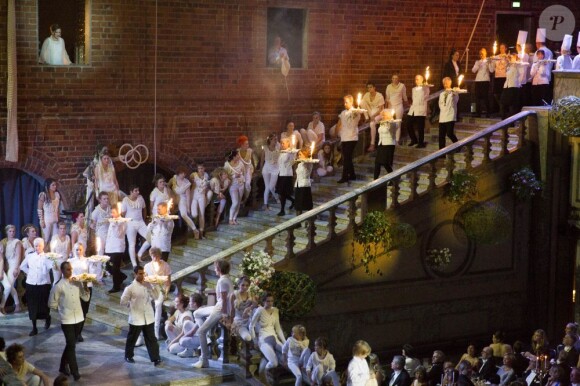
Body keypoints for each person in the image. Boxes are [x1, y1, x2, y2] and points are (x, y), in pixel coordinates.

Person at [49, 261, 89, 381]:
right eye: (67, 269)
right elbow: (52, 304)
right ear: (62, 271)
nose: (70, 271)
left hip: (79, 318)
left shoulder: (77, 283)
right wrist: (62, 311)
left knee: (70, 344)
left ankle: (62, 366)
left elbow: (85, 298)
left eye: (71, 269)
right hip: (67, 320)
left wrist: (86, 286)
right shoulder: (58, 286)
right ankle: (75, 371)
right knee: (71, 345)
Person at [192, 259, 233, 368]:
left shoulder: (223, 281)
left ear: (219, 269)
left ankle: (204, 360)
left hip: (220, 310)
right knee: (196, 313)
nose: (214, 269)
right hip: (217, 306)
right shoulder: (226, 279)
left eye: (215, 267)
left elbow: (224, 300)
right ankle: (208, 339)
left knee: (201, 332)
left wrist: (224, 315)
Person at [120, 266, 162, 366]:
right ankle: (128, 356)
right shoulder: (130, 288)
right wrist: (130, 306)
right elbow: (123, 301)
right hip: (136, 317)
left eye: (143, 273)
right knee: (132, 338)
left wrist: (153, 286)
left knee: (151, 339)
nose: (142, 275)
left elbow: (156, 297)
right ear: (135, 274)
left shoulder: (147, 286)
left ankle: (156, 358)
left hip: (148, 317)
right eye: (140, 273)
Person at [19, 238, 54, 336]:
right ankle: (34, 328)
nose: (37, 247)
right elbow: (22, 266)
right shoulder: (30, 256)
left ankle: (47, 317)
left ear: (43, 246)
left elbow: (52, 267)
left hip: (44, 284)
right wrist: (30, 272)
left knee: (44, 306)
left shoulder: (47, 257)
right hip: (31, 284)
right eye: (36, 246)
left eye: (39, 245)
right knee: (32, 306)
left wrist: (54, 263)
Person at [68, 242, 100, 341]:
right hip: (74, 288)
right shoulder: (70, 261)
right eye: (77, 249)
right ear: (74, 250)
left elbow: (92, 274)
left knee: (83, 311)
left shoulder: (88, 261)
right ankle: (73, 331)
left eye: (80, 249)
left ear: (84, 250)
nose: (78, 251)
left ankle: (79, 333)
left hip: (86, 288)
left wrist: (94, 265)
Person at [250, 292, 286, 374]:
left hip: (274, 337)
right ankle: (263, 373)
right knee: (274, 363)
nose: (270, 303)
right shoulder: (260, 310)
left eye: (271, 301)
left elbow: (278, 329)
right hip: (263, 339)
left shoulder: (276, 310)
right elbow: (251, 326)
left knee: (287, 352)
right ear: (263, 301)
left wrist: (285, 342)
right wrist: (255, 341)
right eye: (268, 301)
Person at [143, 247, 171, 340]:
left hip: (161, 289)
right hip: (150, 289)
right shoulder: (147, 266)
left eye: (156, 256)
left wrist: (166, 293)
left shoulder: (165, 265)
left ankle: (156, 332)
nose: (155, 258)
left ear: (160, 256)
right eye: (153, 256)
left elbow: (168, 283)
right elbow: (145, 282)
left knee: (158, 304)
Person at [336, 95, 362, 183]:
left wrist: (357, 110)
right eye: (344, 102)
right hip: (344, 137)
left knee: (346, 157)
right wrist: (336, 133)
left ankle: (345, 176)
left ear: (351, 102)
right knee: (347, 157)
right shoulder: (343, 113)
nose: (345, 104)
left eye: (346, 102)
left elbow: (356, 115)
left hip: (352, 137)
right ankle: (352, 175)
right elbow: (339, 124)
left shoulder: (355, 111)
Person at [121, 186, 149, 266]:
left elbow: (144, 208)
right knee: (132, 244)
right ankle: (134, 264)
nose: (138, 192)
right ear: (131, 192)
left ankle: (139, 253)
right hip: (130, 223)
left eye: (138, 190)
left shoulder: (140, 198)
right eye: (136, 191)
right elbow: (123, 213)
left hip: (140, 222)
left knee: (151, 238)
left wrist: (144, 219)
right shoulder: (125, 200)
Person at [173, 293, 205, 358]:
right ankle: (189, 350)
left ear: (195, 303)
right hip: (197, 335)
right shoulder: (199, 310)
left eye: (190, 301)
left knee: (182, 341)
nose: (189, 303)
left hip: (202, 338)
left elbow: (193, 331)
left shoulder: (197, 312)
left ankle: (190, 350)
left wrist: (182, 338)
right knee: (172, 348)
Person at [168, 167, 197, 238]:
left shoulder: (186, 183)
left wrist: (188, 207)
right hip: (173, 197)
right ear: (178, 173)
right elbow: (168, 186)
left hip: (182, 198)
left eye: (184, 173)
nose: (183, 175)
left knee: (184, 214)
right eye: (181, 173)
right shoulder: (174, 178)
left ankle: (195, 230)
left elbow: (188, 196)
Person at [105, 205, 128, 293]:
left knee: (115, 267)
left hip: (118, 248)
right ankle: (121, 276)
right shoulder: (113, 221)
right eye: (111, 212)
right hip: (110, 247)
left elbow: (118, 234)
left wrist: (115, 225)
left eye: (113, 212)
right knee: (107, 266)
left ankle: (116, 286)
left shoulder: (122, 221)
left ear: (118, 212)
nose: (112, 214)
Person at [0, 225, 22, 314]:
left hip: (14, 265)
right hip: (8, 265)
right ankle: (17, 305)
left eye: (13, 231)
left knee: (9, 286)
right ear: (7, 232)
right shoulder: (4, 242)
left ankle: (2, 306)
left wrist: (16, 268)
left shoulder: (17, 242)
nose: (12, 233)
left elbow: (18, 256)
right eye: (10, 231)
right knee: (10, 286)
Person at [229, 276, 257, 343]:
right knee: (247, 337)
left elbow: (256, 305)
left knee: (258, 333)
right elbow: (231, 310)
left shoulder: (251, 294)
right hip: (238, 321)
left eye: (247, 285)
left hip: (250, 320)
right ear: (238, 285)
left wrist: (249, 308)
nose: (245, 287)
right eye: (243, 285)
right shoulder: (234, 295)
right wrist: (230, 323)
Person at [374, 109, 398, 179]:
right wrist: (381, 114)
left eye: (384, 115)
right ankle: (375, 180)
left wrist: (390, 120)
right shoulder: (382, 122)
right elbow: (376, 119)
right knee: (377, 163)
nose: (382, 116)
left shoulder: (393, 123)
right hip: (381, 144)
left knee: (385, 163)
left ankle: (393, 177)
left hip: (388, 144)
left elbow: (391, 129)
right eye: (382, 115)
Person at [407, 75, 430, 148]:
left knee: (420, 127)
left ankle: (421, 143)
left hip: (421, 109)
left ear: (422, 80)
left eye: (418, 79)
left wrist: (425, 86)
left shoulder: (425, 88)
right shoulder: (413, 89)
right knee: (408, 123)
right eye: (415, 79)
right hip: (413, 109)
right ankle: (414, 139)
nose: (416, 81)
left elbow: (425, 96)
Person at [224, 149, 246, 225]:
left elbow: (243, 172)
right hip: (233, 185)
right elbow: (225, 176)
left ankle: (234, 218)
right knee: (235, 202)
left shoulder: (241, 163)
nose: (239, 156)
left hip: (240, 184)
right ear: (233, 157)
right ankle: (230, 219)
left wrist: (242, 178)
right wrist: (234, 176)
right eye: (237, 155)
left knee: (239, 202)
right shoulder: (227, 165)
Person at [363, 82, 386, 151]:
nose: (369, 89)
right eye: (368, 87)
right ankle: (367, 118)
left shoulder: (379, 95)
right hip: (371, 112)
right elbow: (362, 104)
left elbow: (381, 109)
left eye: (370, 87)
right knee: (362, 102)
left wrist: (373, 116)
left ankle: (372, 144)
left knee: (372, 123)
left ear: (374, 88)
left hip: (379, 113)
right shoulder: (366, 95)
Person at [276, 138, 296, 217]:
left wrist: (292, 152)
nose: (282, 144)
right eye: (281, 143)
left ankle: (282, 210)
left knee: (283, 193)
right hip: (281, 173)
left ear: (288, 143)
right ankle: (293, 201)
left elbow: (293, 160)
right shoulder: (282, 152)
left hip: (287, 174)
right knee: (281, 192)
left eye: (284, 143)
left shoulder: (290, 152)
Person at [501, 54, 525, 120]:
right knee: (503, 103)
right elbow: (505, 71)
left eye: (512, 57)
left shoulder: (518, 65)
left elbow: (521, 74)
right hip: (507, 86)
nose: (511, 58)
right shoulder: (509, 66)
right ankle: (503, 119)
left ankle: (511, 121)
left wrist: (516, 62)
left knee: (512, 105)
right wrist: (506, 61)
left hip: (513, 86)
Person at [38, 178, 61, 247]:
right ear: (48, 186)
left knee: (55, 238)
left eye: (55, 185)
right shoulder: (43, 195)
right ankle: (43, 254)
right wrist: (41, 221)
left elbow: (58, 208)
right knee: (46, 239)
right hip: (47, 220)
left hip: (55, 220)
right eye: (53, 185)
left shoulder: (57, 194)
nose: (55, 186)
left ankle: (54, 254)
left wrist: (58, 219)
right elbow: (39, 209)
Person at [190, 162, 211, 238]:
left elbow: (206, 187)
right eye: (199, 168)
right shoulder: (194, 175)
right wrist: (190, 198)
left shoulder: (206, 175)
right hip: (195, 195)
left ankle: (201, 231)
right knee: (194, 214)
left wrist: (205, 196)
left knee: (202, 213)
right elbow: (191, 186)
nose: (200, 170)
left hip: (202, 195)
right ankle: (194, 229)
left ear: (204, 168)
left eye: (202, 168)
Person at [260, 134, 280, 211]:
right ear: (270, 140)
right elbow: (262, 160)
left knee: (271, 187)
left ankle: (276, 197)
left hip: (275, 168)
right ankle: (265, 205)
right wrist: (261, 169)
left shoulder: (278, 147)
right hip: (266, 168)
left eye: (276, 139)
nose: (276, 141)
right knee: (267, 187)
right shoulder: (265, 148)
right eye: (274, 139)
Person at [438, 77, 459, 149]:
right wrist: (443, 109)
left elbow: (455, 102)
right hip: (442, 116)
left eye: (447, 83)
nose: (445, 85)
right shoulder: (442, 94)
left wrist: (454, 94)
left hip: (450, 116)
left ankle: (458, 146)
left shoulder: (454, 92)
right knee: (441, 135)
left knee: (449, 133)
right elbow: (440, 104)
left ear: (450, 83)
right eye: (444, 83)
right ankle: (441, 152)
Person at [472, 48, 494, 117]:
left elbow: (491, 70)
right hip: (478, 81)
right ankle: (476, 113)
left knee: (485, 97)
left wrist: (490, 63)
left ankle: (488, 113)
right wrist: (477, 65)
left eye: (482, 54)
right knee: (476, 98)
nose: (481, 55)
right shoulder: (477, 61)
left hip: (485, 81)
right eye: (480, 54)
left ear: (485, 54)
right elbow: (473, 70)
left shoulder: (488, 61)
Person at [384, 76, 406, 144]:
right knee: (390, 123)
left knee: (398, 123)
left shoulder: (402, 86)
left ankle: (397, 140)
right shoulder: (388, 86)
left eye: (396, 78)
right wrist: (386, 108)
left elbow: (404, 96)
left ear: (398, 79)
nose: (394, 79)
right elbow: (387, 98)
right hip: (391, 106)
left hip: (399, 106)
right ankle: (391, 139)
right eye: (393, 78)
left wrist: (407, 104)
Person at [294, 148, 314, 216]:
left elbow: (307, 171)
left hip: (305, 186)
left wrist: (308, 157)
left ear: (304, 155)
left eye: (300, 154)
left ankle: (310, 221)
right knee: (298, 205)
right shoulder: (299, 164)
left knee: (306, 204)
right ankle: (297, 222)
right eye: (298, 154)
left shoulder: (308, 163)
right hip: (298, 185)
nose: (299, 156)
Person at [238, 136, 256, 203]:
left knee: (247, 184)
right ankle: (239, 200)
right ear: (241, 145)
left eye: (248, 144)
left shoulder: (250, 150)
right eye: (246, 144)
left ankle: (245, 199)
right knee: (241, 184)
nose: (248, 145)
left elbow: (252, 160)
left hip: (248, 168)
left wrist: (255, 168)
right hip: (241, 170)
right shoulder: (237, 152)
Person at [492, 44, 508, 116]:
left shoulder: (507, 56)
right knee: (496, 94)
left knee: (503, 94)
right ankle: (501, 107)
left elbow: (508, 66)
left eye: (503, 48)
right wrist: (491, 60)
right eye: (500, 48)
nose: (501, 49)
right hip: (497, 77)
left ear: (506, 49)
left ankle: (502, 110)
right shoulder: (496, 57)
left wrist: (506, 58)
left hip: (504, 77)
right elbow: (492, 69)